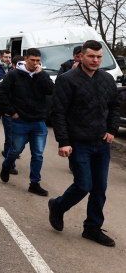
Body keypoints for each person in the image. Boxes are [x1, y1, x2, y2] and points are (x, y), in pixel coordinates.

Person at [48, 40, 119, 247]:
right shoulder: (67, 80)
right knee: (83, 185)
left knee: (100, 188)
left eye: (99, 57)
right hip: (79, 143)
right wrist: (63, 141)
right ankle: (58, 206)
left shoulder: (107, 79)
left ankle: (92, 228)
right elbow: (58, 112)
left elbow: (114, 106)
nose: (95, 60)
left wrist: (111, 130)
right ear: (81, 56)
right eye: (91, 56)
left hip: (102, 144)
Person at [0, 48, 54, 196]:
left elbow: (51, 90)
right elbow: (1, 93)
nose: (35, 63)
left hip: (39, 121)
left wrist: (40, 74)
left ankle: (34, 183)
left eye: (38, 60)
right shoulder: (14, 75)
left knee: (38, 154)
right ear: (26, 59)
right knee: (16, 149)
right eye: (32, 60)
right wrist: (12, 112)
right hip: (20, 119)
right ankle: (7, 165)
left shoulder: (42, 74)